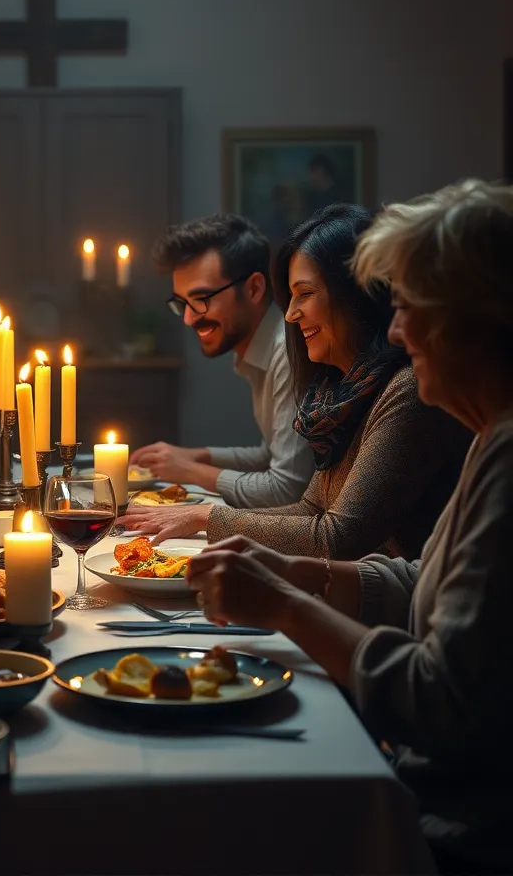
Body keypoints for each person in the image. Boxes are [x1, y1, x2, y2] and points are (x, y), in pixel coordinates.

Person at [185, 180, 513, 873]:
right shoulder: (491, 434)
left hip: (461, 829)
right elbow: (423, 577)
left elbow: (443, 703)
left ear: (481, 317)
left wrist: (282, 603)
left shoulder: (499, 449)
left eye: (412, 308)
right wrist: (301, 574)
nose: (397, 330)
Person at [125, 203, 471, 560]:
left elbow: (337, 535)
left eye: (304, 294)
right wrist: (198, 516)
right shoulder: (340, 394)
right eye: (291, 297)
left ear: (356, 293)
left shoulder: (405, 391)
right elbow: (309, 508)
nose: (289, 314)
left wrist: (205, 515)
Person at [131, 214, 313, 507]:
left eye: (202, 298)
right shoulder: (261, 349)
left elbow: (287, 490)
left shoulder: (286, 351)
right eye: (182, 303)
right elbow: (270, 455)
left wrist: (189, 470)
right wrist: (195, 456)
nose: (189, 318)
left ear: (254, 288)